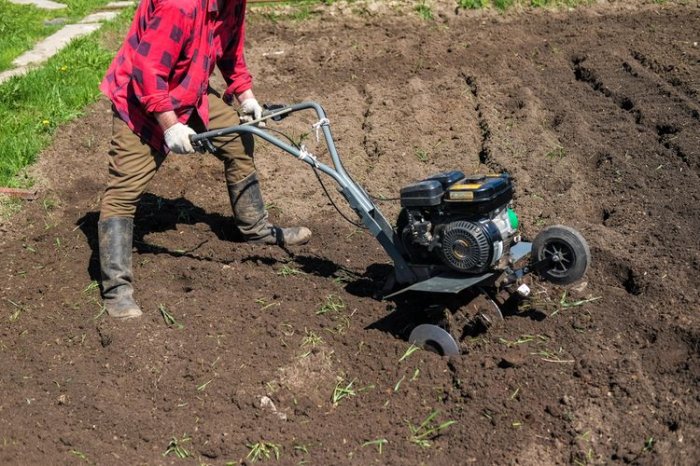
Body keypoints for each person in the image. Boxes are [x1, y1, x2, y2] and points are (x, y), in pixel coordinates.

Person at [98, 0, 311, 319]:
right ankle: (116, 290)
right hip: (140, 101)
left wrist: (245, 94)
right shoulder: (179, 5)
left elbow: (229, 50)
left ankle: (254, 228)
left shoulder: (232, 3)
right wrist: (170, 127)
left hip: (189, 90)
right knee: (124, 192)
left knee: (238, 137)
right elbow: (146, 70)